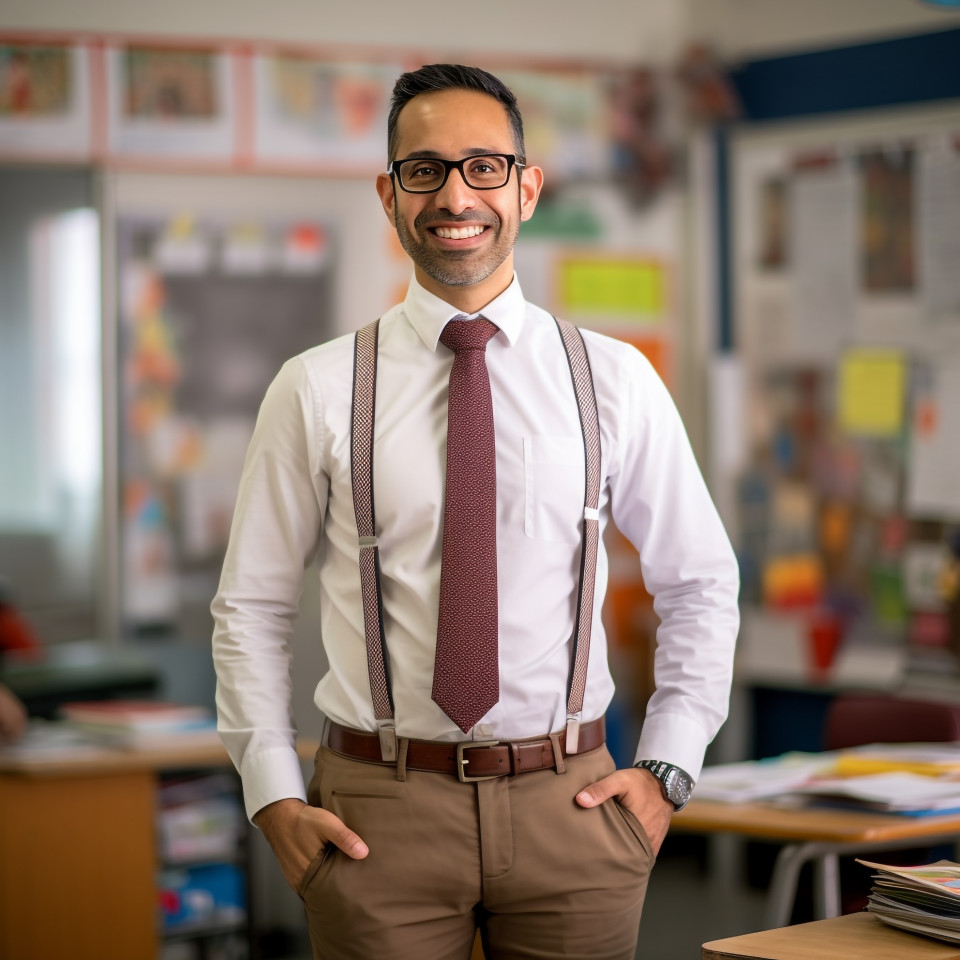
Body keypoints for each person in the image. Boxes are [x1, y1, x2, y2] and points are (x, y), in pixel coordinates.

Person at [212, 63, 739, 960]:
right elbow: (251, 609)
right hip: (378, 811)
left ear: (526, 188)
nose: (456, 193)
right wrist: (271, 797)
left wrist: (665, 771)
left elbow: (698, 581)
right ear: (390, 195)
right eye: (425, 169)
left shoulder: (612, 379)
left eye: (485, 166)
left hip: (573, 805)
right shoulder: (316, 387)